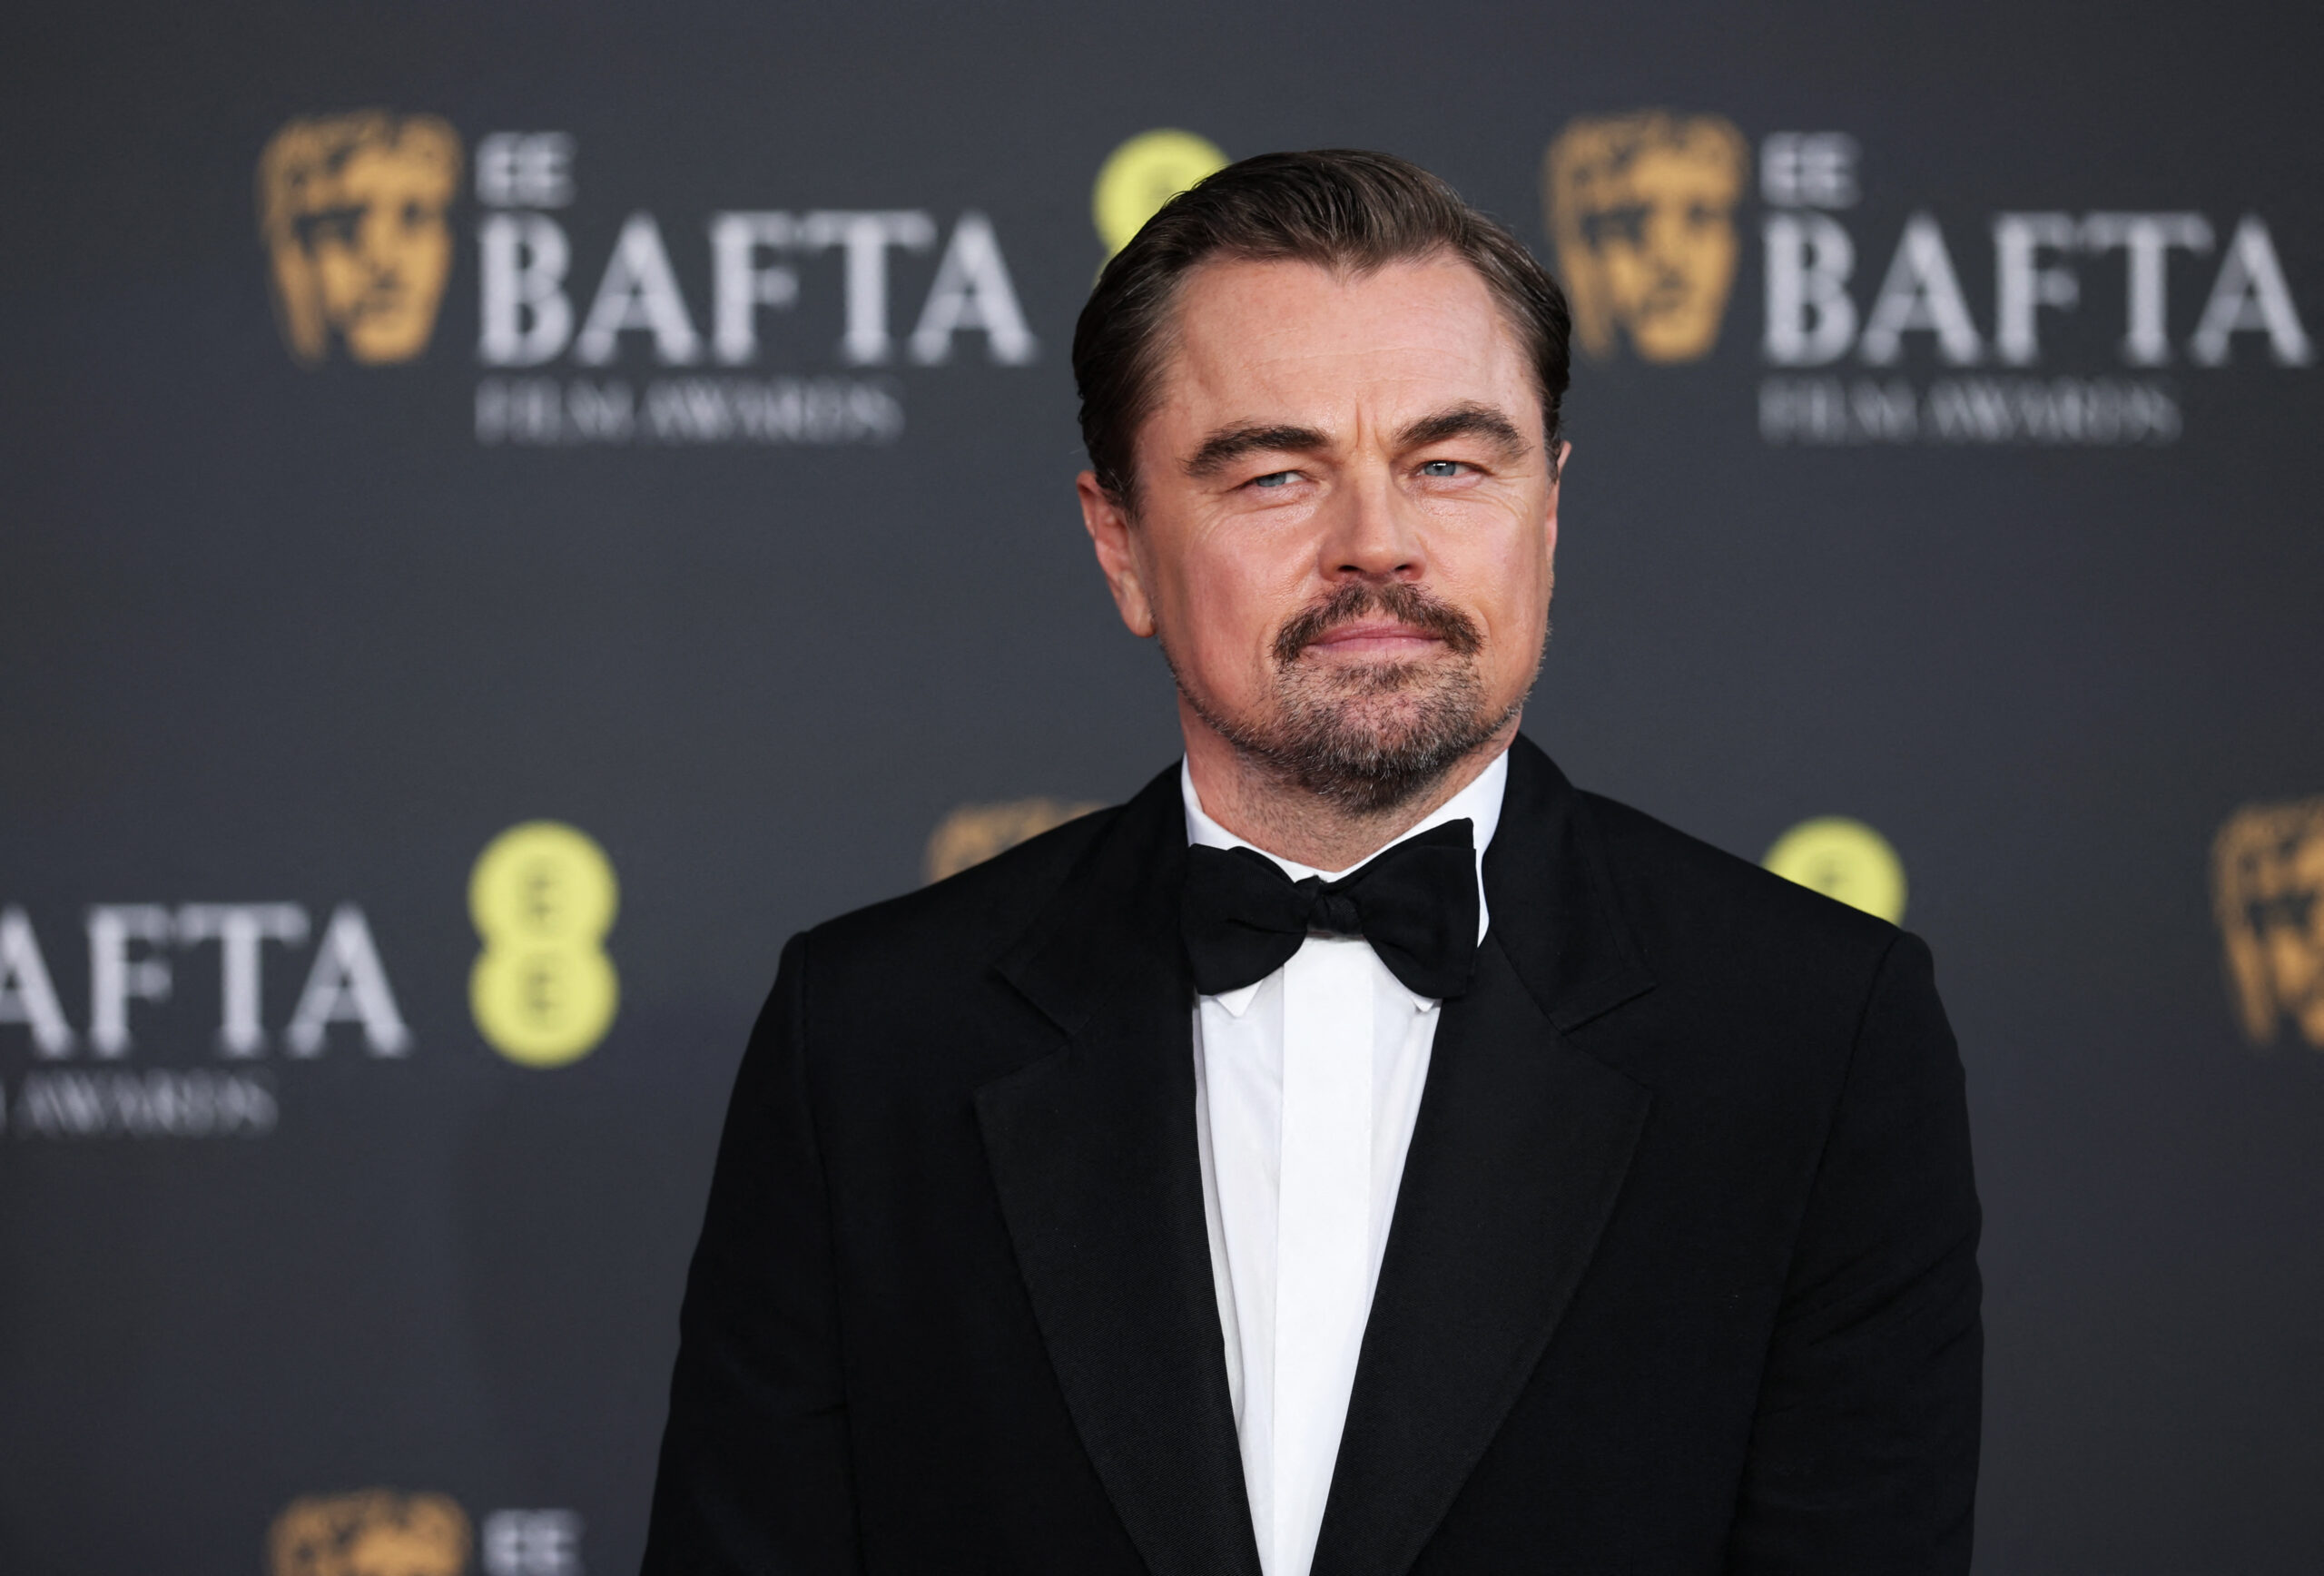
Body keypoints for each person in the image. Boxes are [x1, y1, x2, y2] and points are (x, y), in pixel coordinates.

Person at [643, 150, 1981, 1576]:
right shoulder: (872, 1037)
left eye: (1449, 464)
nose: (1378, 545)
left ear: (1547, 514)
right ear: (1121, 546)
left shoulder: (1813, 1032)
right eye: (1278, 474)